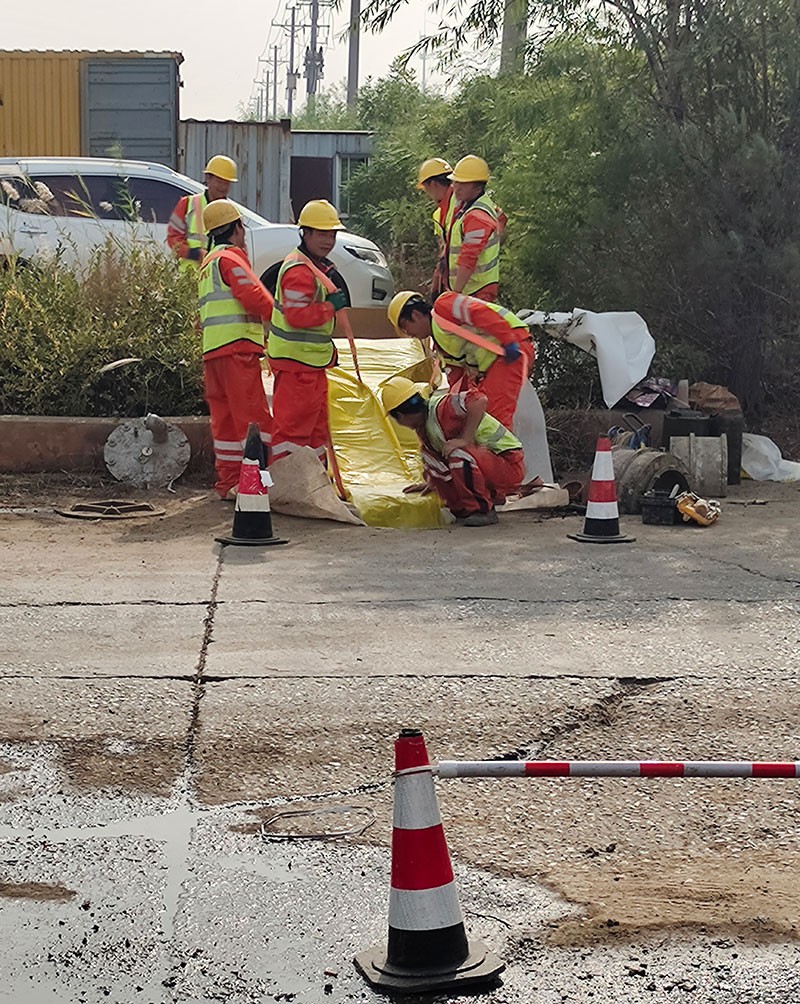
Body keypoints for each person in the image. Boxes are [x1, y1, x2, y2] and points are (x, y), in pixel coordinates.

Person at [198, 199, 274, 499]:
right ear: (237, 228)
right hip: (237, 351)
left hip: (213, 353)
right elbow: (253, 296)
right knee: (253, 419)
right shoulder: (231, 258)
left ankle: (229, 482)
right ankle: (257, 484)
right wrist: (282, 317)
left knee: (226, 423)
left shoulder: (207, 265)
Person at [268, 199, 349, 466]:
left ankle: (312, 487)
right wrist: (329, 307)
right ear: (306, 233)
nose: (329, 240)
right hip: (297, 367)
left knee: (315, 432)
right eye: (322, 233)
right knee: (292, 432)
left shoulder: (313, 266)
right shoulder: (300, 270)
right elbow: (297, 316)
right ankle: (287, 487)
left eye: (332, 234)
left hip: (309, 365)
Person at [381, 376, 524, 527]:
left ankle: (482, 510)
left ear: (401, 416)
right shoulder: (426, 428)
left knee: (458, 454)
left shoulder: (442, 408)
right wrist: (434, 481)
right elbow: (437, 460)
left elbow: (478, 400)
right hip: (490, 464)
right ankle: (464, 508)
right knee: (430, 459)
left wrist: (466, 439)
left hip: (508, 463)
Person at [387, 289, 534, 430]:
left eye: (406, 328)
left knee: (494, 419)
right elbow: (457, 380)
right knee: (481, 417)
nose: (410, 335)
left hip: (511, 350)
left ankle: (506, 455)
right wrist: (454, 409)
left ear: (416, 315)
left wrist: (509, 340)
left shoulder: (444, 306)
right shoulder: (441, 345)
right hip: (499, 359)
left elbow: (481, 314)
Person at [446, 155, 506, 302]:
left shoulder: (477, 217)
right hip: (472, 289)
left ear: (478, 187)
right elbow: (502, 218)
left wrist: (455, 294)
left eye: (463, 183)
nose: (456, 187)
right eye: (456, 181)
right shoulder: (470, 204)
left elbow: (468, 258)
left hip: (477, 291)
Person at [167, 155, 238, 270]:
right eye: (219, 181)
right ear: (208, 179)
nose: (223, 187)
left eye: (226, 183)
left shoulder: (232, 212)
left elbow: (239, 247)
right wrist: (196, 254)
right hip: (189, 276)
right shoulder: (187, 204)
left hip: (217, 278)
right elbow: (173, 239)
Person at [416, 157, 457, 297]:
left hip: (472, 284)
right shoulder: (440, 214)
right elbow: (443, 252)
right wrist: (437, 282)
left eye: (425, 188)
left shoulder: (463, 202)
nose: (427, 194)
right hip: (457, 284)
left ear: (433, 184)